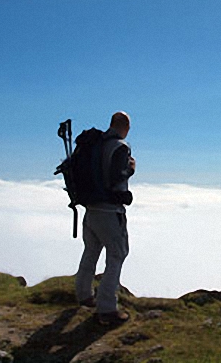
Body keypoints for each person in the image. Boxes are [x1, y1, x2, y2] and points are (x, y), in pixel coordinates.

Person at [75, 111, 136, 326]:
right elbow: (115, 177)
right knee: (117, 253)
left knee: (91, 251)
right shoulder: (120, 146)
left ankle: (84, 294)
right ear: (125, 126)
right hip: (110, 212)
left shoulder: (95, 144)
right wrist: (130, 170)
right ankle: (107, 309)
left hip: (90, 210)